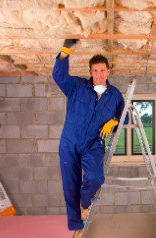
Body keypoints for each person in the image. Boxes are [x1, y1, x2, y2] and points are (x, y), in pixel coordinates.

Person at [52, 39, 125, 238]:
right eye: (95, 71)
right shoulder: (77, 86)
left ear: (108, 71)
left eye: (103, 70)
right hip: (70, 141)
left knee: (95, 177)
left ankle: (85, 205)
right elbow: (58, 75)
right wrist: (65, 50)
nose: (99, 74)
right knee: (70, 184)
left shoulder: (115, 95)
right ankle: (77, 227)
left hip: (94, 143)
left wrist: (115, 121)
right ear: (90, 72)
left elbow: (124, 114)